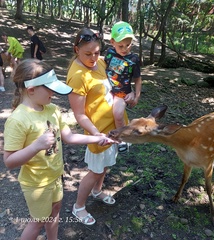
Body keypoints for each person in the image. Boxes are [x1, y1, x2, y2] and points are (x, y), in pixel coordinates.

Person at [3, 59, 115, 239]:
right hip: (36, 184)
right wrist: (36, 146)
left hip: (55, 176)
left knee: (55, 210)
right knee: (38, 221)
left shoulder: (53, 109)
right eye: (49, 89)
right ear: (31, 90)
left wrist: (96, 137)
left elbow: (69, 137)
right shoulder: (18, 120)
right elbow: (9, 161)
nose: (54, 94)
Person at [66, 28, 134, 225]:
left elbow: (116, 85)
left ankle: (97, 191)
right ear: (76, 50)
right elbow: (79, 114)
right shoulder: (77, 76)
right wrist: (96, 134)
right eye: (88, 53)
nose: (94, 58)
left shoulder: (102, 62)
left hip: (114, 128)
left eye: (97, 52)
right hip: (98, 132)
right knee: (95, 170)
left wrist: (130, 95)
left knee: (104, 166)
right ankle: (78, 206)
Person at [105, 21, 142, 152]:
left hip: (121, 93)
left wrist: (136, 95)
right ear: (112, 42)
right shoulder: (109, 54)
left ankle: (121, 139)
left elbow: (137, 79)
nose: (125, 49)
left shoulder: (134, 59)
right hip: (107, 89)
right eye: (120, 46)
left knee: (118, 113)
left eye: (128, 45)